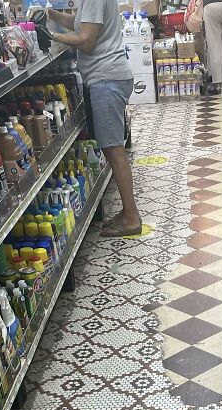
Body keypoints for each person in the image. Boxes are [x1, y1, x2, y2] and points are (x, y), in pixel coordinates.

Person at [42, 0, 143, 237]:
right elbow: (80, 23)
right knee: (112, 149)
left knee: (114, 151)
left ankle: (131, 218)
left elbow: (86, 41)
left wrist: (53, 37)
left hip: (106, 79)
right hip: (107, 77)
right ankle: (128, 211)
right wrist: (52, 15)